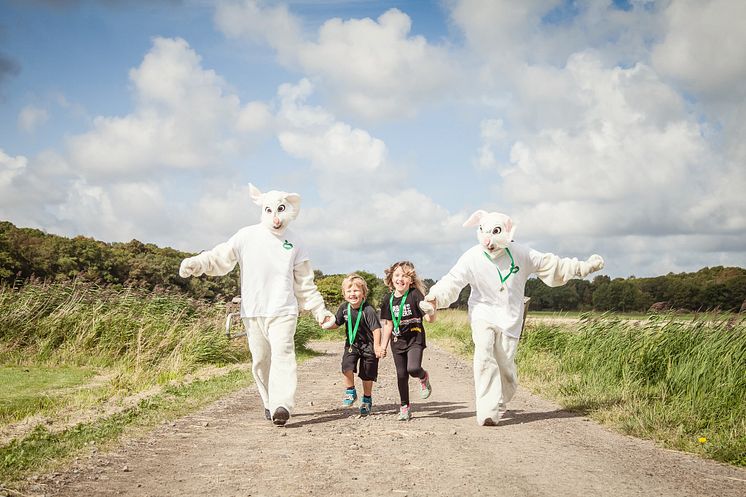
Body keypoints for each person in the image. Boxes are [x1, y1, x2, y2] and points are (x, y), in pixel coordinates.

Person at [423, 210, 605, 426]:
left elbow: (551, 264)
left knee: (505, 365)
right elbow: (452, 281)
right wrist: (434, 298)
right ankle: (487, 411)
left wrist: (584, 268)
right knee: (483, 352)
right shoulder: (472, 256)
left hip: (510, 317)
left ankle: (500, 399)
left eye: (495, 233)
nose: (488, 241)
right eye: (484, 233)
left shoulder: (520, 253)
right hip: (482, 312)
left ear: (506, 232)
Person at [179, 183, 334, 427]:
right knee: (261, 359)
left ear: (289, 209)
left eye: (280, 210)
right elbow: (220, 257)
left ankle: (282, 404)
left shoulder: (295, 242)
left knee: (283, 354)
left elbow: (305, 283)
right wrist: (196, 264)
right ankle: (269, 401)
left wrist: (319, 310)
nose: (276, 218)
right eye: (270, 211)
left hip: (283, 310)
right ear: (262, 209)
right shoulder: (246, 236)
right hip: (253, 310)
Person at [380, 261, 436, 421]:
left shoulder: (415, 294)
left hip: (415, 338)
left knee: (413, 368)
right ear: (391, 279)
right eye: (397, 275)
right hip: (397, 342)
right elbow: (388, 324)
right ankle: (404, 407)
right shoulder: (387, 300)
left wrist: (431, 311)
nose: (400, 279)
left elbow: (428, 317)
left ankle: (423, 377)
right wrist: (383, 346)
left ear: (411, 280)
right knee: (401, 374)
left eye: (404, 276)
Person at [323, 274, 383, 416]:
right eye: (349, 291)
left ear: (363, 293)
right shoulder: (344, 308)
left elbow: (376, 329)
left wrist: (377, 347)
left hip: (369, 346)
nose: (352, 294)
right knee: (346, 366)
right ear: (344, 295)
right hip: (352, 344)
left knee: (367, 374)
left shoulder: (368, 310)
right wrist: (326, 325)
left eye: (356, 291)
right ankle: (350, 391)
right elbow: (336, 323)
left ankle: (367, 400)